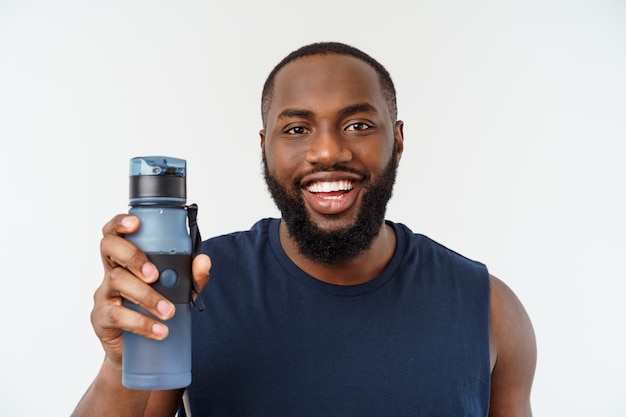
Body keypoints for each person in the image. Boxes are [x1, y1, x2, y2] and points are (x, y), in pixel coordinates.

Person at [72, 41, 536, 417]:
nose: (328, 152)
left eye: (357, 124)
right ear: (265, 147)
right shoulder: (196, 285)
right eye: (296, 129)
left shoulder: (490, 309)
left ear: (397, 140)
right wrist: (119, 364)